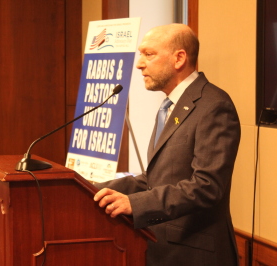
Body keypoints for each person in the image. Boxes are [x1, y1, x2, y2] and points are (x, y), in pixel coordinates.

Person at [93, 23, 241, 266]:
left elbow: (206, 186)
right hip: (161, 247)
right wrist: (90, 189)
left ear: (179, 58)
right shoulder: (169, 105)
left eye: (148, 54)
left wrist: (136, 203)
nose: (139, 64)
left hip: (194, 253)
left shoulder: (213, 105)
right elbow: (154, 178)